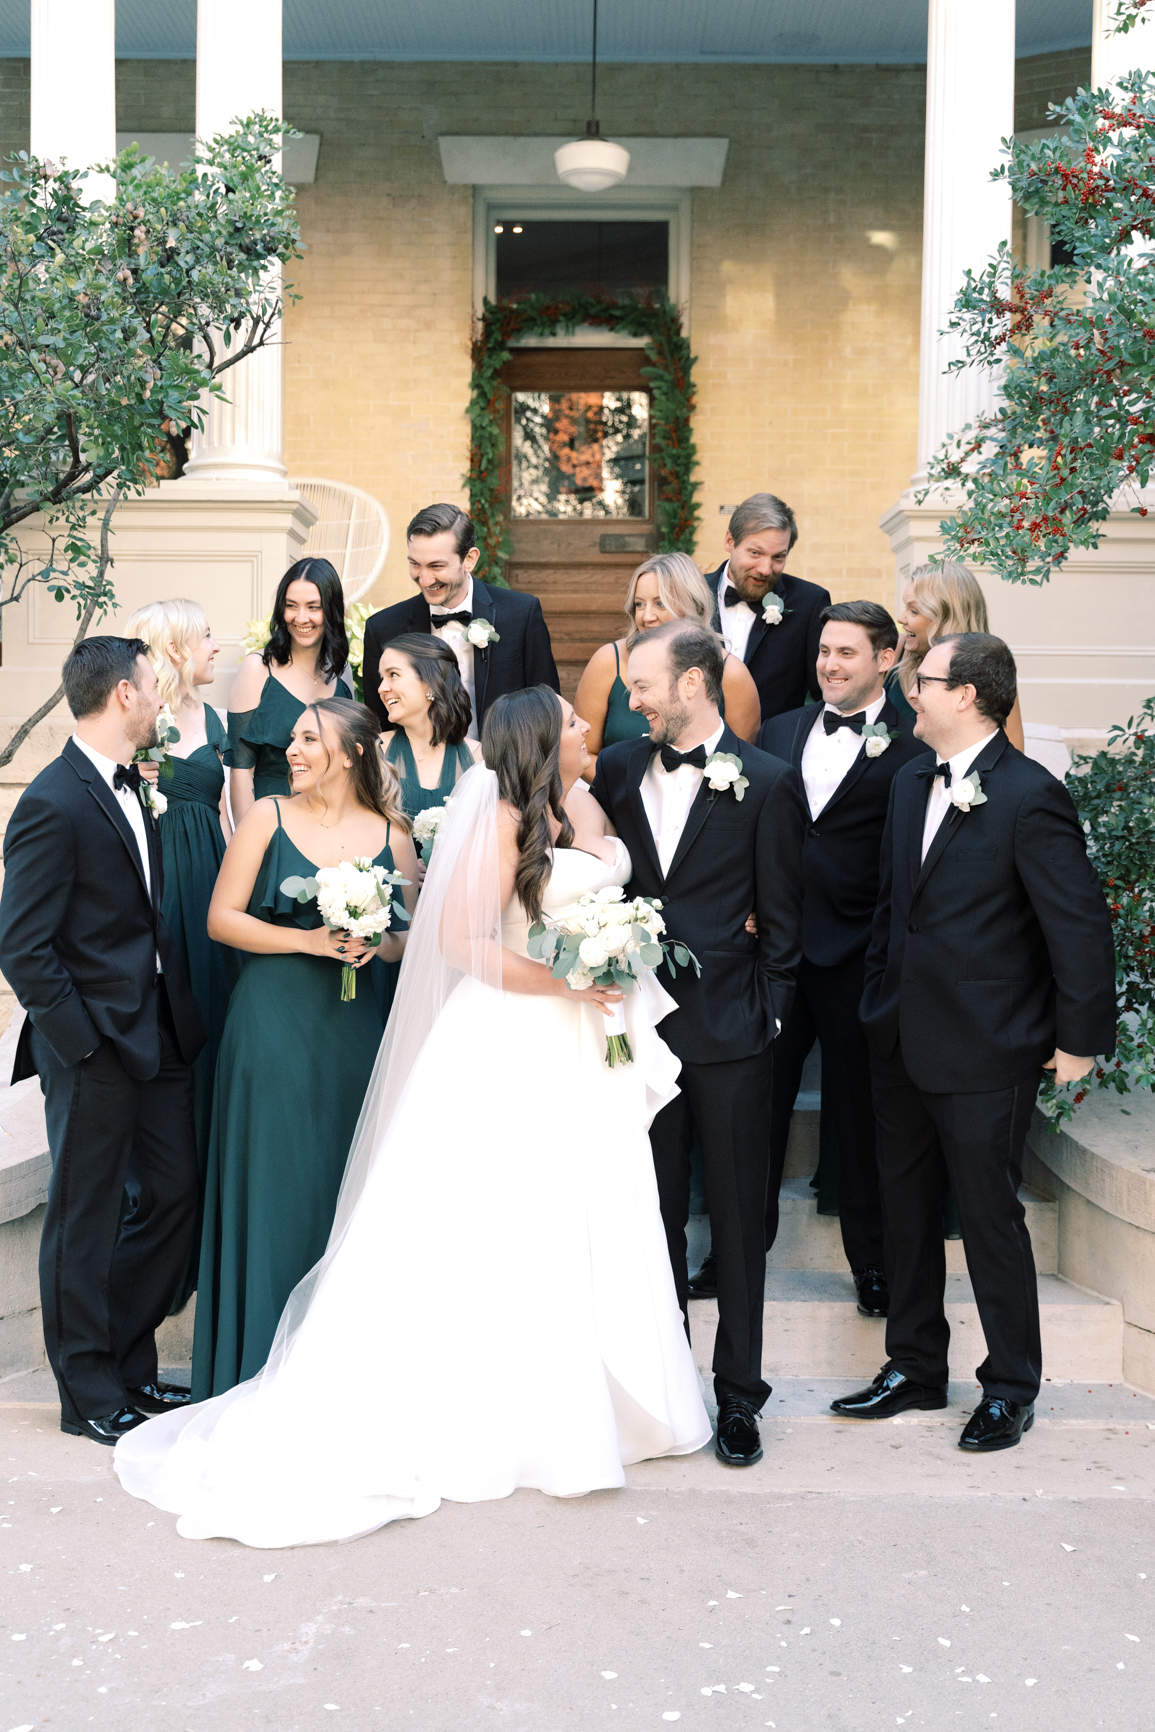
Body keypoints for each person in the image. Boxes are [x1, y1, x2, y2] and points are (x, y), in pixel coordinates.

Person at [114, 686, 710, 1546]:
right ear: (543, 738)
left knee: (583, 1207)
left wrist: (611, 948)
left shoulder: (578, 800)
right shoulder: (503, 818)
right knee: (507, 1216)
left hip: (582, 1039)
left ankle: (604, 1402)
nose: (590, 727)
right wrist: (566, 978)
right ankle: (507, 1412)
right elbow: (461, 942)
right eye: (574, 723)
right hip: (515, 1033)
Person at [834, 633, 1116, 1451]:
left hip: (987, 1047)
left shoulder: (1030, 796)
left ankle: (1009, 1387)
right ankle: (914, 1368)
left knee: (990, 1218)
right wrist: (874, 1003)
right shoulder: (906, 780)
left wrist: (1079, 1039)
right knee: (905, 1214)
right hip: (898, 1037)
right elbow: (893, 909)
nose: (905, 690)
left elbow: (1077, 927)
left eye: (918, 680)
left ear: (965, 694)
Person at [591, 620, 805, 1468]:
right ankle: (668, 1382)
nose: (628, 698)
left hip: (733, 1031)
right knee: (651, 1218)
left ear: (692, 685)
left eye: (641, 684)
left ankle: (739, 1393)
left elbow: (786, 921)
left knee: (737, 1218)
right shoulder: (610, 771)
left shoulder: (767, 782)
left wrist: (771, 1016)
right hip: (634, 1030)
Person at [0, 638, 206, 1445]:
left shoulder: (133, 787)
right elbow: (22, 945)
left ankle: (128, 1364)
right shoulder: (53, 799)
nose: (162, 700)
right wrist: (82, 1045)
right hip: (92, 1044)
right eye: (154, 688)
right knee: (83, 1220)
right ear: (124, 695)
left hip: (155, 1028)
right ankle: (87, 1391)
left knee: (172, 1195)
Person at [191, 698, 418, 1400]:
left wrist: (372, 940)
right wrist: (310, 940)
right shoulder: (266, 816)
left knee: (342, 1191)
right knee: (276, 1188)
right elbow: (221, 919)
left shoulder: (393, 835)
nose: (291, 750)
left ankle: (337, 1377)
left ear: (350, 754)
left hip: (353, 1033)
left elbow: (409, 938)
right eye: (291, 739)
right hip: (272, 1026)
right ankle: (257, 1373)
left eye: (308, 740)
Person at [757, 602, 930, 1317]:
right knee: (756, 1113)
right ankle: (741, 1250)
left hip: (859, 960)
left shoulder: (915, 748)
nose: (829, 664)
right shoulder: (778, 731)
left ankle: (873, 1266)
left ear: (885, 659)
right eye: (824, 651)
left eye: (846, 653)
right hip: (774, 956)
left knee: (861, 1120)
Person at [126, 598, 241, 1313]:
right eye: (203, 636)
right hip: (162, 896)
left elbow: (229, 818)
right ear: (171, 649)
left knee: (211, 1042)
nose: (214, 646)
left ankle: (199, 1228)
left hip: (211, 899)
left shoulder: (217, 721)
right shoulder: (142, 725)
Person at [361, 502, 559, 741]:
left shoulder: (521, 614)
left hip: (503, 771)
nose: (424, 579)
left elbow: (547, 707)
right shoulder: (382, 628)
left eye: (436, 566)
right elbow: (379, 726)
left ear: (469, 559)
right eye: (415, 564)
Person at [574, 551, 761, 777]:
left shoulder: (731, 674)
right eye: (640, 604)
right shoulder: (608, 661)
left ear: (692, 604)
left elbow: (742, 764)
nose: (646, 616)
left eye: (660, 603)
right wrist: (630, 794)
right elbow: (584, 754)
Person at [227, 557, 352, 824]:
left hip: (330, 821)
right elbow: (241, 772)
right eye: (291, 606)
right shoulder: (257, 670)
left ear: (331, 610)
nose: (301, 617)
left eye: (313, 607)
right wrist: (250, 842)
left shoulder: (343, 674)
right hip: (272, 820)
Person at [701, 493, 830, 722]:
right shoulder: (689, 593)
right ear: (730, 541)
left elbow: (826, 692)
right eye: (755, 553)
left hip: (770, 751)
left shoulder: (809, 603)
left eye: (778, 557)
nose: (765, 569)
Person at [890, 562, 1025, 749]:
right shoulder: (896, 655)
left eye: (913, 610)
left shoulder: (990, 675)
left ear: (946, 617)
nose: (901, 618)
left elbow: (1012, 757)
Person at [377, 633, 481, 824]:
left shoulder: (479, 759)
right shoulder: (375, 752)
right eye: (382, 678)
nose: (381, 688)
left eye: (393, 674)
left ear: (431, 683)